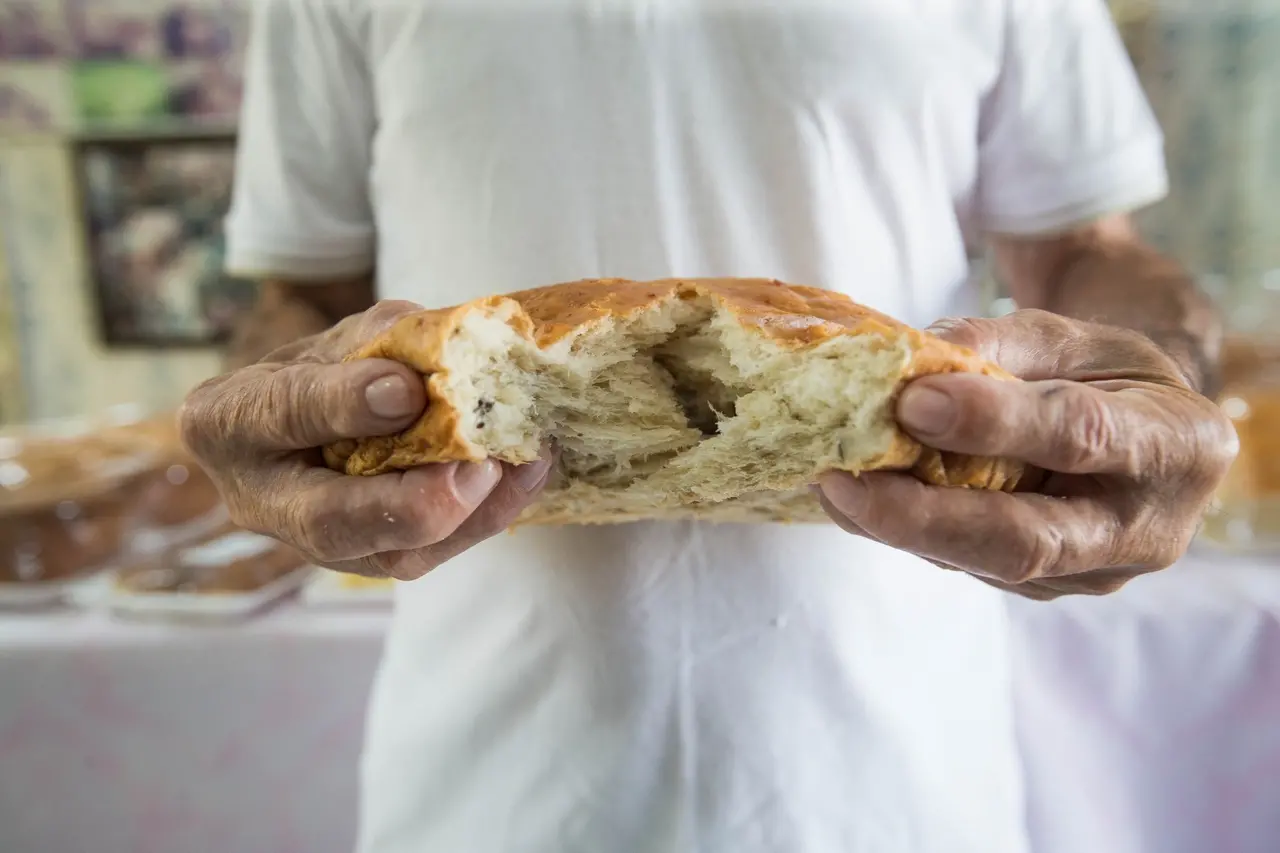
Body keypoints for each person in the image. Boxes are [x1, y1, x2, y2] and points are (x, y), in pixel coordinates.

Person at [179, 2, 1238, 851]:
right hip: (489, 762)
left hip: (891, 746)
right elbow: (306, 298)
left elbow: (1083, 249)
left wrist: (1155, 386)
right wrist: (269, 418)